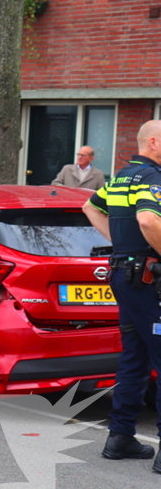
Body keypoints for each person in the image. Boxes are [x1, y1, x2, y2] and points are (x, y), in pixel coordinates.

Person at [82, 120, 161, 469]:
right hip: (149, 279)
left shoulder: (121, 177)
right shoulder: (152, 177)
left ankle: (120, 437)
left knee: (135, 356)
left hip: (124, 275)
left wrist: (122, 246)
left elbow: (90, 207)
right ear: (154, 143)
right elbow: (148, 220)